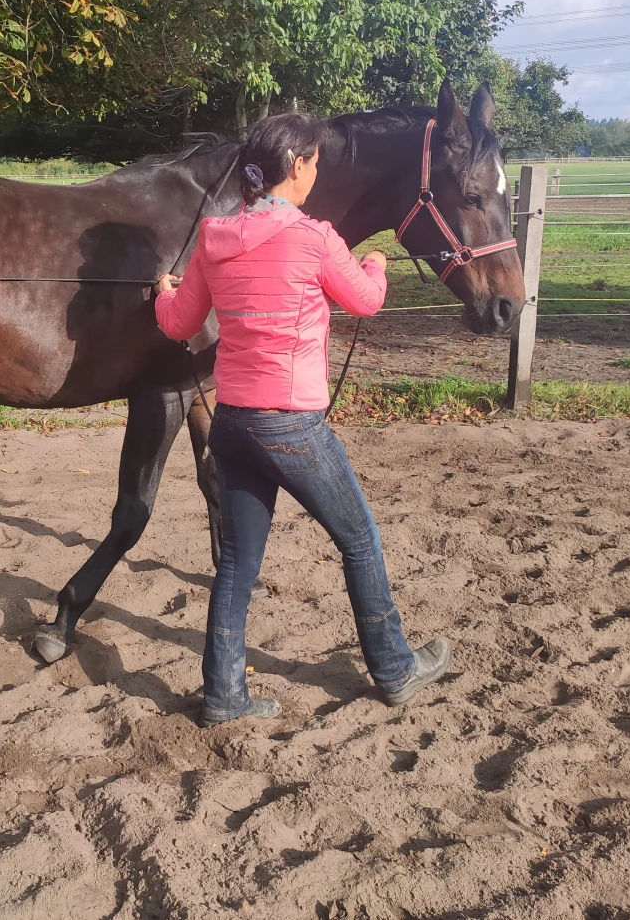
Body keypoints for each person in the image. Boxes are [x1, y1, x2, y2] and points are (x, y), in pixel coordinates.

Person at [154, 113, 450, 726]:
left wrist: (163, 291)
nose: (318, 172)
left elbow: (179, 323)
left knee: (237, 562)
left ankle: (224, 692)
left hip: (233, 420)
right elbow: (364, 302)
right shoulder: (316, 238)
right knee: (359, 540)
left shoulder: (212, 238)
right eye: (314, 162)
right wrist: (377, 268)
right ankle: (394, 668)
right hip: (292, 425)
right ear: (296, 166)